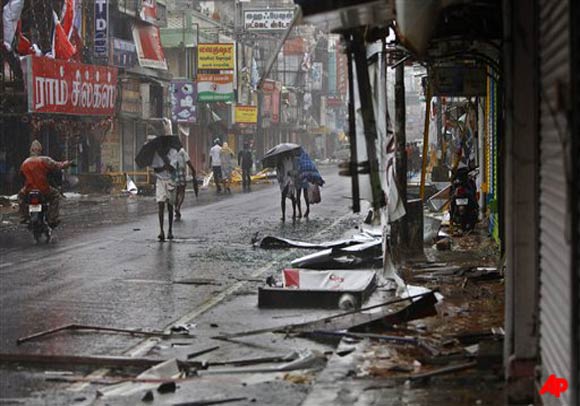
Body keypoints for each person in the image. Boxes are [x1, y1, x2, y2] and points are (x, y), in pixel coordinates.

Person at [18, 140, 73, 228]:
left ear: (30, 150)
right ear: (40, 150)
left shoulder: (25, 163)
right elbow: (58, 165)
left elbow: (21, 176)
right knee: (55, 196)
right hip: (43, 189)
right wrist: (67, 163)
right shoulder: (44, 160)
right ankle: (52, 219)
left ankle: (24, 217)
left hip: (28, 189)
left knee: (20, 197)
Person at [151, 120, 179, 241]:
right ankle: (161, 230)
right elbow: (156, 169)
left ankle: (170, 230)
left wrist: (165, 159)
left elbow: (173, 168)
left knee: (170, 206)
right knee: (161, 205)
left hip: (171, 181)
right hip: (160, 181)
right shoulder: (156, 153)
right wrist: (163, 165)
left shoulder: (174, 151)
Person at [174, 147, 198, 220]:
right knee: (182, 191)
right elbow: (188, 162)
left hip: (173, 173)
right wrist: (193, 170)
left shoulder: (170, 151)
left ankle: (176, 209)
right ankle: (178, 207)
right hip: (181, 171)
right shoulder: (182, 151)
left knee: (176, 192)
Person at [276, 155, 297, 222]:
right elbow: (279, 171)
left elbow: (296, 170)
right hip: (284, 182)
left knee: (291, 197)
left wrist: (291, 173)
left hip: (290, 181)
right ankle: (284, 215)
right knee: (284, 198)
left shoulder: (292, 160)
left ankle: (293, 213)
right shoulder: (281, 161)